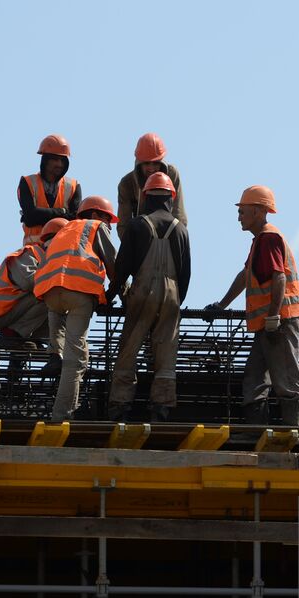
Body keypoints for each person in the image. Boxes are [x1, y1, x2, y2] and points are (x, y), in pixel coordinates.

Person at [204, 185, 299, 427]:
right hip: (267, 325)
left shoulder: (269, 238)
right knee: (254, 377)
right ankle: (256, 430)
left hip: (279, 322)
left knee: (285, 376)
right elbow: (246, 274)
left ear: (260, 211)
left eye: (243, 210)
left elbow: (279, 277)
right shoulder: (259, 242)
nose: (239, 216)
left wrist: (273, 318)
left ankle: (294, 430)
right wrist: (221, 305)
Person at [106, 173, 191, 423]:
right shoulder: (181, 230)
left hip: (143, 292)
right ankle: (161, 408)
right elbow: (186, 272)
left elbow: (122, 268)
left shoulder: (138, 225)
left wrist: (111, 295)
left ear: (146, 196)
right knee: (166, 351)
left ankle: (120, 406)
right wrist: (175, 301)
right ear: (170, 198)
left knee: (130, 348)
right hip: (173, 293)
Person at [33, 196, 117, 421]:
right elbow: (113, 264)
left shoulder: (65, 228)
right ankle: (62, 415)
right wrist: (123, 294)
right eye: (108, 218)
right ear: (97, 215)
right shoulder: (97, 227)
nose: (109, 224)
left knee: (60, 333)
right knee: (76, 358)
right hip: (78, 291)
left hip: (50, 292)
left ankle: (54, 355)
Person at [0, 217, 68, 349]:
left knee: (62, 302)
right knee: (50, 295)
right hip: (1, 312)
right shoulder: (30, 253)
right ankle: (12, 335)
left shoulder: (52, 261)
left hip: (14, 311)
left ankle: (29, 339)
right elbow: (29, 282)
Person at [115, 132, 186, 236]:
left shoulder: (171, 174)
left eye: (156, 163)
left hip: (168, 234)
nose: (151, 168)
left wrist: (178, 240)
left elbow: (178, 213)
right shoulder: (127, 184)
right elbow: (123, 225)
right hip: (140, 237)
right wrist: (131, 248)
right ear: (139, 163)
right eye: (147, 163)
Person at [19, 134, 82, 245]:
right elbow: (29, 217)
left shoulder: (73, 186)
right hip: (34, 252)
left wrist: (38, 214)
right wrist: (62, 212)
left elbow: (75, 220)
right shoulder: (28, 182)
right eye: (55, 159)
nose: (59, 164)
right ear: (45, 160)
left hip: (62, 249)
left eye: (62, 160)